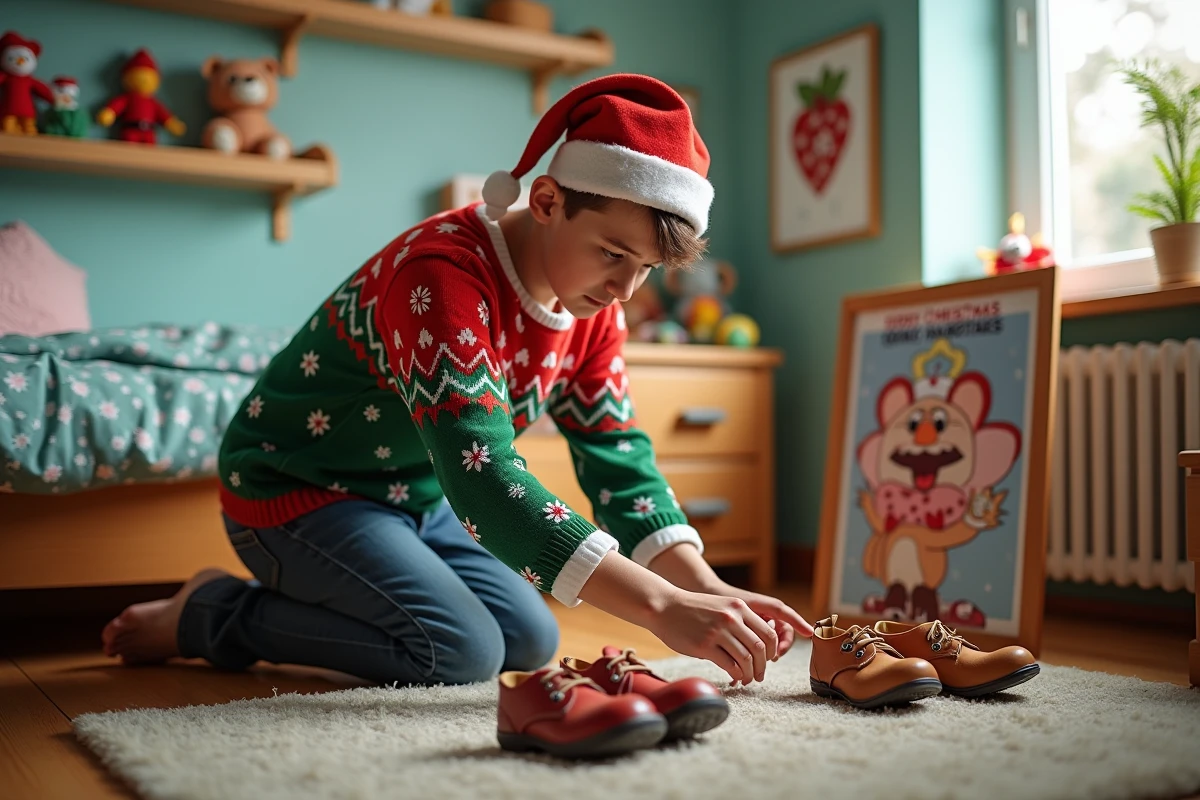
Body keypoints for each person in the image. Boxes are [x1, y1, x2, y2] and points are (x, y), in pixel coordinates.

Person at [101, 73, 813, 688]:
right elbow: (484, 477)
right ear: (547, 201)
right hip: (296, 488)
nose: (625, 289)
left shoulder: (595, 309)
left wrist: (708, 588)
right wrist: (661, 607)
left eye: (646, 271)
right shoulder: (442, 276)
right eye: (611, 254)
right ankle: (210, 614)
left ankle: (337, 591)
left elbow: (618, 457)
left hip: (416, 495)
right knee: (459, 650)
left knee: (531, 642)